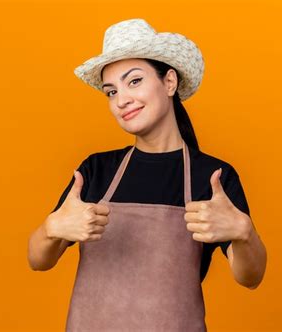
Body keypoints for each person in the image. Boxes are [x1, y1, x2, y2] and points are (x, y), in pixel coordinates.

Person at [27, 18, 267, 331]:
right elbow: (38, 260)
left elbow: (251, 277)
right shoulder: (96, 171)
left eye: (134, 81)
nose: (121, 100)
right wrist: (51, 228)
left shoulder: (211, 177)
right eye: (110, 92)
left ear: (169, 82)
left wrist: (243, 231)